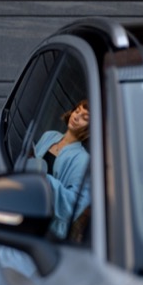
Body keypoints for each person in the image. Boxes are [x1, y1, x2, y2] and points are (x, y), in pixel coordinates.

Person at [33, 100, 91, 239]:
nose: (76, 117)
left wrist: (42, 178)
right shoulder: (49, 136)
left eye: (85, 118)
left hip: (49, 231)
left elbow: (72, 205)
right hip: (28, 211)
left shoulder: (82, 159)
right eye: (77, 111)